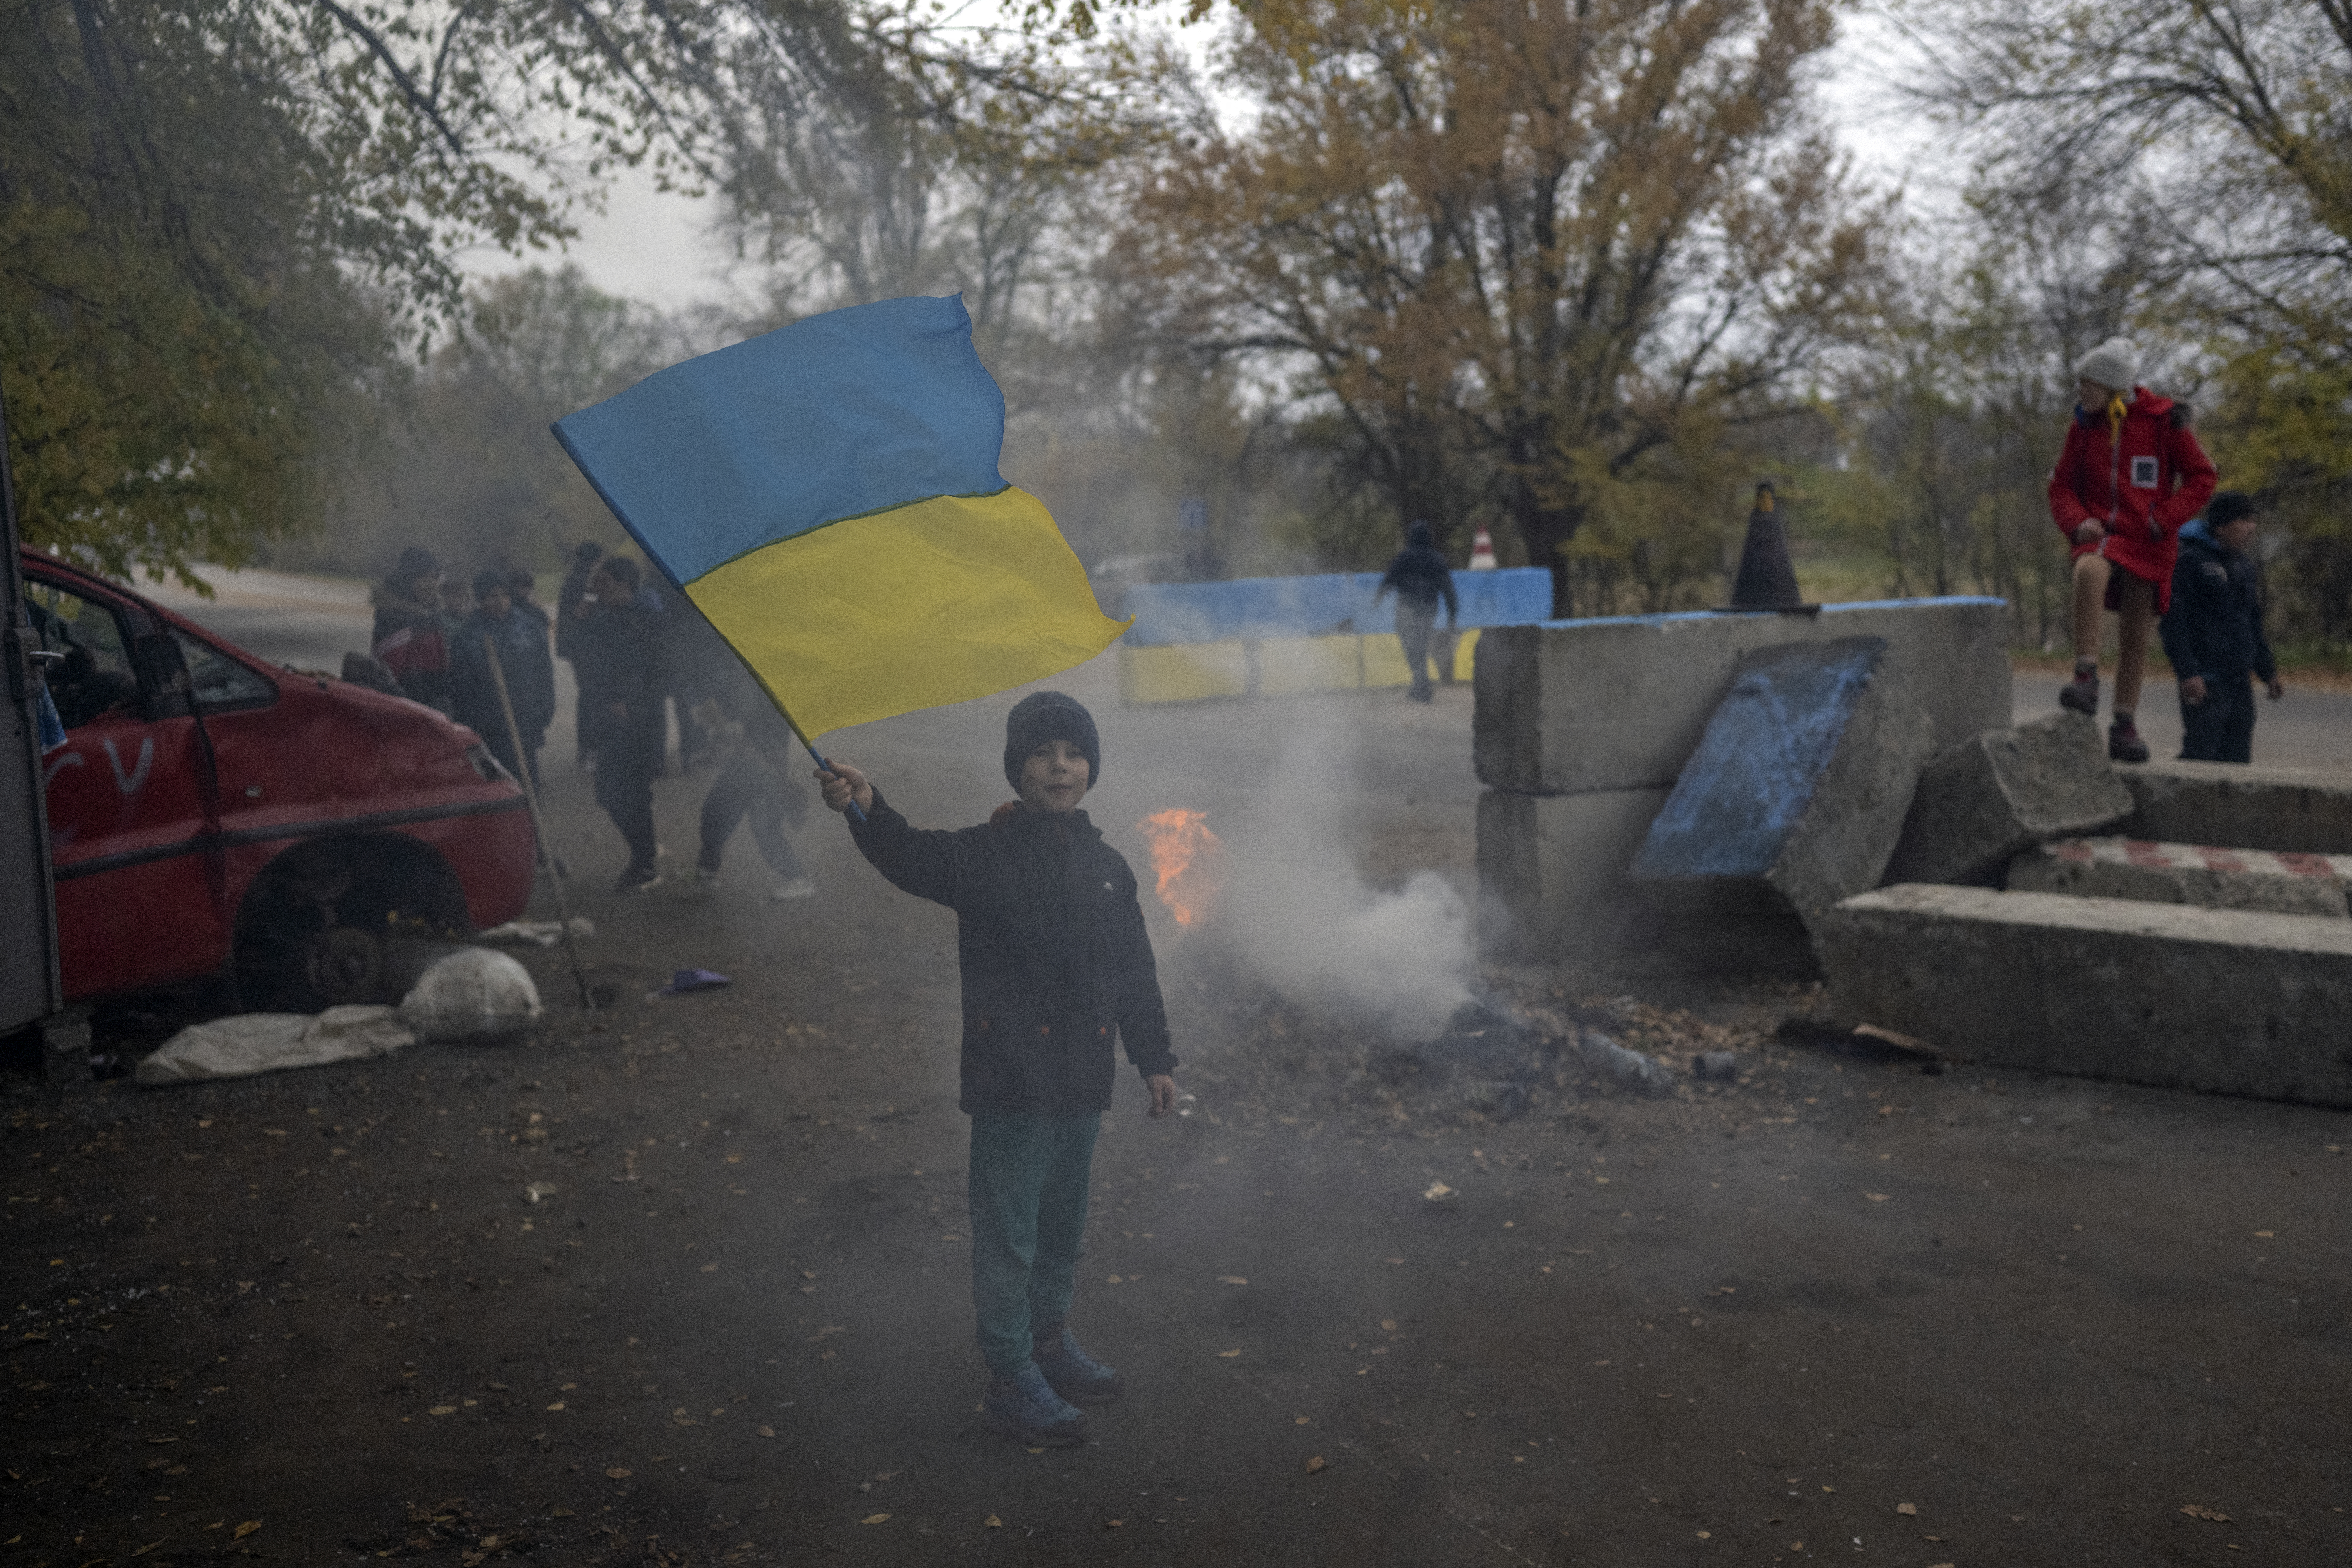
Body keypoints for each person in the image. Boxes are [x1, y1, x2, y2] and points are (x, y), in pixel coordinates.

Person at [816, 691, 1179, 1449]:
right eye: (1044, 753)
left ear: (1091, 769)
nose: (1060, 766)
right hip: (1013, 1083)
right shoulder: (982, 856)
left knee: (1061, 1230)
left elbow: (1134, 970)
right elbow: (910, 854)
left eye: (1074, 753)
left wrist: (1154, 1059)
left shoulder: (1110, 866)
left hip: (1083, 1083)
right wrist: (868, 805)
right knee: (1009, 1234)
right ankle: (1011, 1374)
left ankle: (1049, 1342)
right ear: (1018, 767)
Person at [2047, 337, 2217, 761]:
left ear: (2114, 387)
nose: (2082, 392)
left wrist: (2164, 518)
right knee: (2088, 571)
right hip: (2101, 534)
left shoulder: (2163, 423)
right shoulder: (2083, 428)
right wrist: (2076, 522)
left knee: (2136, 633)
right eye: (2081, 383)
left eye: (2090, 383)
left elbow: (2202, 477)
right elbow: (2062, 486)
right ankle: (2086, 675)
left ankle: (2125, 724)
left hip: (2149, 542)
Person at [682, 613, 817, 901]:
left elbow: (773, 722)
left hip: (763, 763)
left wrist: (740, 728)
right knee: (716, 811)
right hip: (743, 762)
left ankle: (798, 877)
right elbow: (728, 708)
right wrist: (718, 724)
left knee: (765, 825)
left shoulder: (771, 674)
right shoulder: (737, 669)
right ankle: (707, 870)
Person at [2160, 491, 2283, 764]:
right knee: (2202, 755)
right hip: (2206, 681)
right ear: (2223, 524)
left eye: (2253, 521)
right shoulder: (2189, 560)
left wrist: (2268, 671)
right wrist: (2188, 673)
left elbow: (2252, 624)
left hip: (2240, 683)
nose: (2252, 529)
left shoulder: (2245, 567)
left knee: (2237, 762)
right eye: (2245, 521)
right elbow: (2173, 623)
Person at [573, 555, 668, 892]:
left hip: (639, 725)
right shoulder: (605, 620)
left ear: (624, 585)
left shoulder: (650, 623)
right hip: (609, 723)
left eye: (605, 583)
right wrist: (581, 623)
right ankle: (644, 849)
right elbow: (588, 664)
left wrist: (631, 702)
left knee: (633, 795)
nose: (599, 590)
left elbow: (664, 677)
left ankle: (644, 864)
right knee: (609, 794)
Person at [449, 571, 558, 788]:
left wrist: (544, 709)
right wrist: (476, 719)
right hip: (487, 725)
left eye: (503, 595)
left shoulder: (530, 628)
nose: (499, 602)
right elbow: (460, 685)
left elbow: (544, 674)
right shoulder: (469, 636)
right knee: (494, 786)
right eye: (492, 596)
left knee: (527, 782)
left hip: (525, 719)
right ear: (480, 600)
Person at [1374, 520, 1459, 702]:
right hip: (1428, 610)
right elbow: (1448, 588)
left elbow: (1389, 580)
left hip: (1405, 609)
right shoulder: (1437, 559)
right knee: (1420, 645)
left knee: (1411, 647)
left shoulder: (1404, 557)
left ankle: (1421, 685)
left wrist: (1378, 599)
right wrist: (1452, 614)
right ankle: (1421, 684)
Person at [369, 546, 449, 705]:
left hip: (431, 705)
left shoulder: (432, 616)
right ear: (407, 581)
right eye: (425, 579)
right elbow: (386, 677)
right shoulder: (395, 618)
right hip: (407, 708)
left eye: (435, 579)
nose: (432, 585)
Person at [556, 542, 606, 770]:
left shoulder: (574, 578)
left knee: (588, 697)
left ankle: (586, 750)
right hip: (586, 648)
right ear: (595, 560)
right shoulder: (582, 581)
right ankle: (589, 750)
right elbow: (580, 611)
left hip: (578, 647)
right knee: (591, 698)